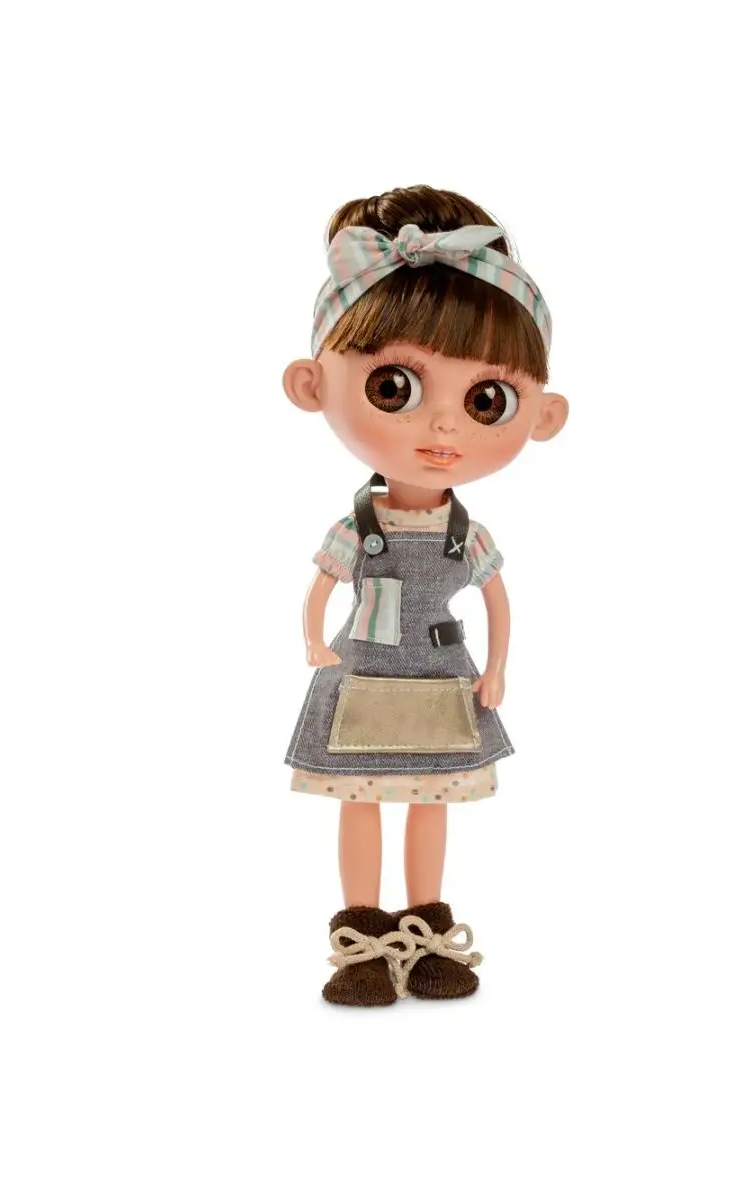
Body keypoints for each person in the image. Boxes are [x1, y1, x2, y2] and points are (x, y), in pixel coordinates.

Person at [282, 185, 569, 1005]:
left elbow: (496, 599)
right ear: (311, 384)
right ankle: (362, 936)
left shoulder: (464, 533)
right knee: (363, 799)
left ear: (543, 415)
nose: (444, 429)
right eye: (394, 389)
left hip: (443, 677)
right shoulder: (359, 526)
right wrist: (313, 640)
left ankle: (428, 927)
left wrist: (499, 666)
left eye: (485, 401)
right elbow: (321, 587)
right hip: (363, 675)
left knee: (429, 800)